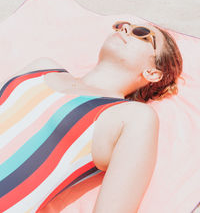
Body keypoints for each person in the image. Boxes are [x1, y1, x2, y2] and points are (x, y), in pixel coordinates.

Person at [0, 21, 183, 213]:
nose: (125, 29)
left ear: (152, 73)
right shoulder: (42, 67)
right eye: (121, 25)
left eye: (141, 33)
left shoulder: (131, 116)